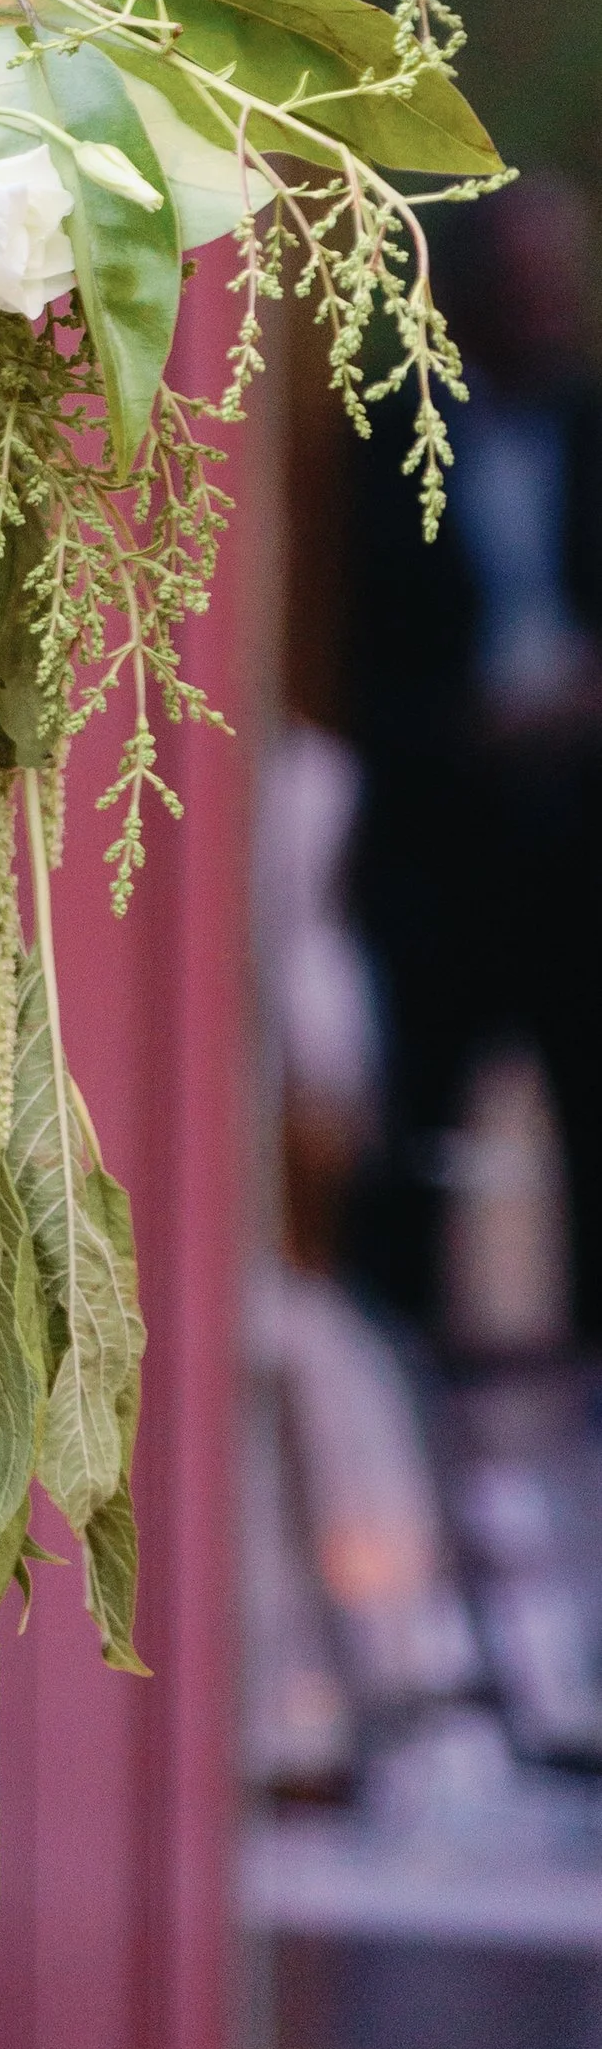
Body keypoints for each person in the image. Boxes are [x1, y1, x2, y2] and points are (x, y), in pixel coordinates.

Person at [345, 170, 602, 1348]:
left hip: (580, 821)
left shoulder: (590, 430)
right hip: (439, 828)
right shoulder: (391, 437)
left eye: (558, 283)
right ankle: (400, 1369)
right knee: (414, 1124)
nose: (542, 306)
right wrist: (465, 730)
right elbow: (355, 659)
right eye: (518, 282)